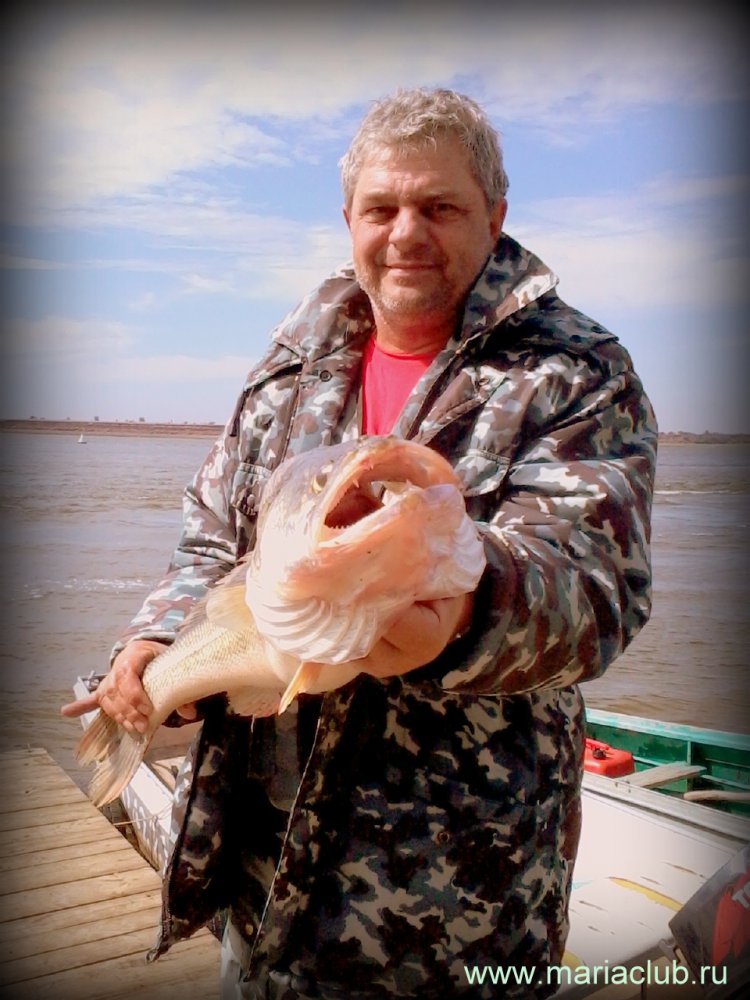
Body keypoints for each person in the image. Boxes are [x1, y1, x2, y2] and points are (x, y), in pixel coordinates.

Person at [62, 88, 657, 999]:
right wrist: (152, 644)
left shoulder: (575, 373)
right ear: (349, 221)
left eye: (440, 206)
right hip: (263, 898)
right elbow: (209, 546)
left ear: (495, 216)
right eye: (382, 208)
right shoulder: (290, 365)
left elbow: (598, 587)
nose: (407, 232)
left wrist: (466, 611)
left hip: (460, 915)